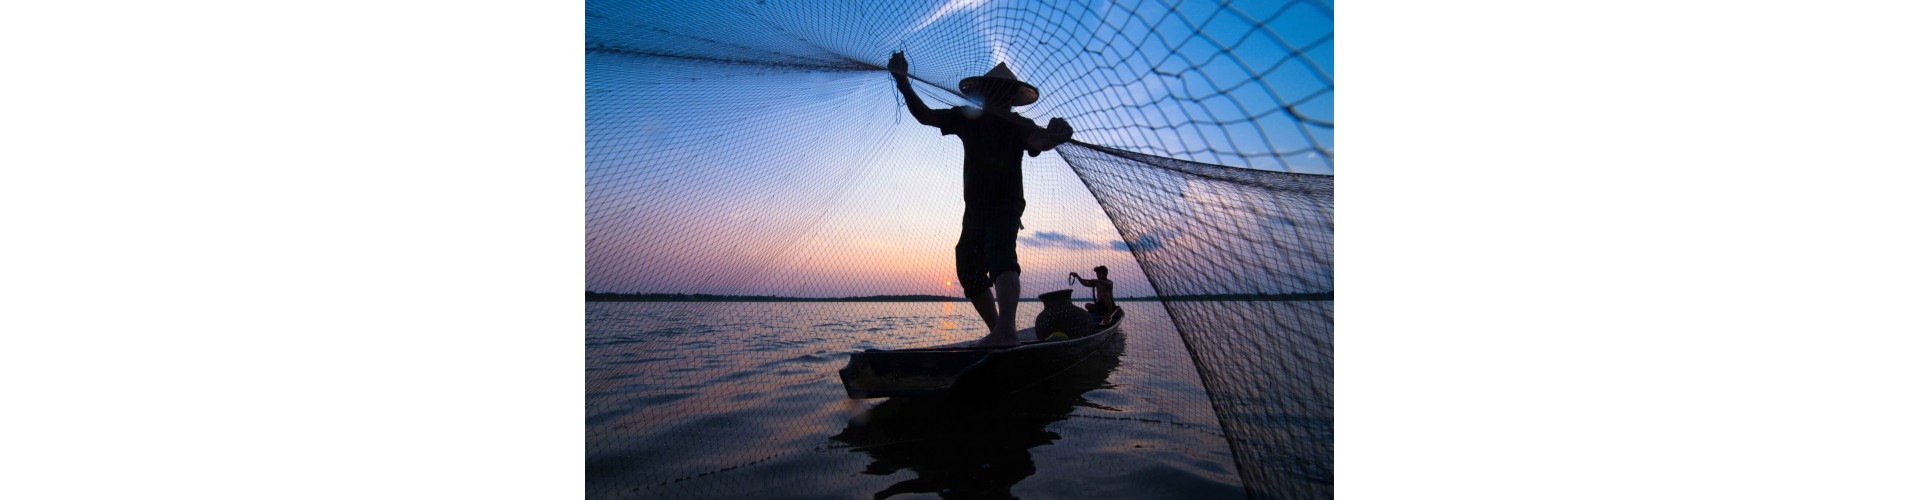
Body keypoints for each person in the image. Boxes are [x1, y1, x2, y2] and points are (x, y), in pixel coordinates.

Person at [890, 51, 1073, 347]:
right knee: (968, 268)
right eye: (993, 89)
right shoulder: (967, 118)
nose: (997, 94)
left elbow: (1039, 141)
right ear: (985, 91)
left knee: (1002, 259)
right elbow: (925, 116)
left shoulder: (1018, 124)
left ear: (1011, 97)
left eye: (1004, 91)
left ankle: (1007, 330)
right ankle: (1000, 331)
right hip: (974, 210)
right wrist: (904, 84)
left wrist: (1055, 135)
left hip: (1005, 205)